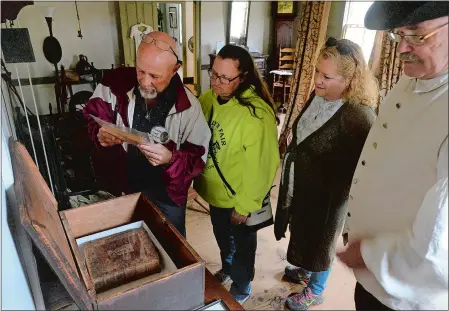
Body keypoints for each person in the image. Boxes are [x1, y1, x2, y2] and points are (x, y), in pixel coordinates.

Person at [336, 2, 448, 310]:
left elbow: (438, 251)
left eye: (417, 35)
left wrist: (367, 254)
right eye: (399, 35)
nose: (402, 49)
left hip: (405, 295)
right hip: (370, 277)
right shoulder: (413, 78)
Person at [274, 38, 379, 310]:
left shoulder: (359, 117)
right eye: (317, 72)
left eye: (326, 76)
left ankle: (316, 289)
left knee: (321, 241)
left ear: (350, 79)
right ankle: (306, 270)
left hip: (329, 196)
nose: (317, 81)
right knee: (303, 232)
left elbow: (365, 171)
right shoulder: (319, 95)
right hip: (305, 185)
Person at [83, 31, 211, 238]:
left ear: (175, 70)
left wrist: (170, 158)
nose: (145, 82)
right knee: (124, 245)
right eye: (140, 71)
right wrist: (99, 133)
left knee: (172, 248)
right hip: (119, 188)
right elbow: (91, 116)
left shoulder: (188, 107)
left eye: (155, 76)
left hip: (166, 196)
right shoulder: (114, 84)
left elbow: (197, 159)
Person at [194, 45, 280, 304]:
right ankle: (228, 268)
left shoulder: (256, 114)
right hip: (215, 192)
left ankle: (242, 284)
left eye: (225, 78)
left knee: (243, 244)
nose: (216, 82)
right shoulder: (208, 99)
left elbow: (263, 165)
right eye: (214, 73)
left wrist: (244, 206)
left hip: (240, 198)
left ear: (242, 78)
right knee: (222, 237)